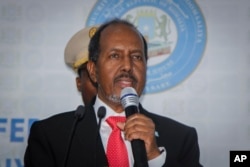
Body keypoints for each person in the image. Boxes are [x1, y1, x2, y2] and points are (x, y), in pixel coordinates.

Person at [24, 19, 203, 167]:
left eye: (136, 57)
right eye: (115, 56)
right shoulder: (52, 136)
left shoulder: (181, 138)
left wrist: (155, 158)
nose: (127, 66)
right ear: (93, 71)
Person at [64, 25, 98, 105]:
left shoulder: (131, 117)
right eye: (94, 76)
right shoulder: (64, 118)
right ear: (79, 83)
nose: (102, 85)